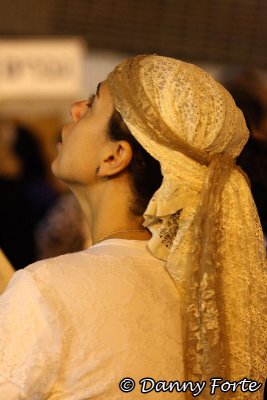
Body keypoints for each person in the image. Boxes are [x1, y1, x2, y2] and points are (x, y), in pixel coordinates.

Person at [0, 55, 266, 399]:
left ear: (114, 157)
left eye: (94, 104)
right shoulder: (207, 300)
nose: (76, 108)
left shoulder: (46, 289)